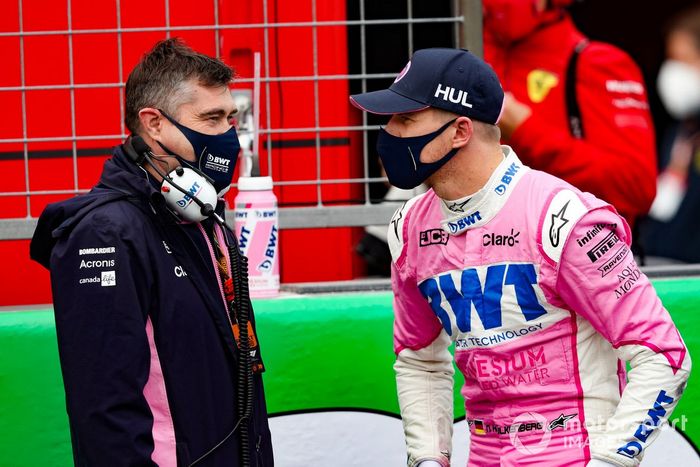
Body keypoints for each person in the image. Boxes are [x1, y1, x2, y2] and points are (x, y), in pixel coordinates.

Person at [349, 48, 690, 466]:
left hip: (578, 453)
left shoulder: (564, 217)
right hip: (485, 455)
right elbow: (420, 361)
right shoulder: (408, 227)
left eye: (405, 119)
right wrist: (426, 459)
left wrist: (610, 461)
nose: (389, 133)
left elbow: (664, 356)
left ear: (459, 131)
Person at [29, 38, 273, 466]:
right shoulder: (104, 234)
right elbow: (105, 409)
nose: (228, 135)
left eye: (231, 118)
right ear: (153, 123)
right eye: (211, 118)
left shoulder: (198, 214)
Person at [482, 0, 657, 230]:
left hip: (574, 252)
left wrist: (526, 131)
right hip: (474, 252)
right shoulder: (458, 61)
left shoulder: (596, 62)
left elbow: (637, 188)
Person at [640, 6, 700, 263]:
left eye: (683, 59)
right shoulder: (680, 130)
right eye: (670, 59)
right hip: (664, 271)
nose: (673, 72)